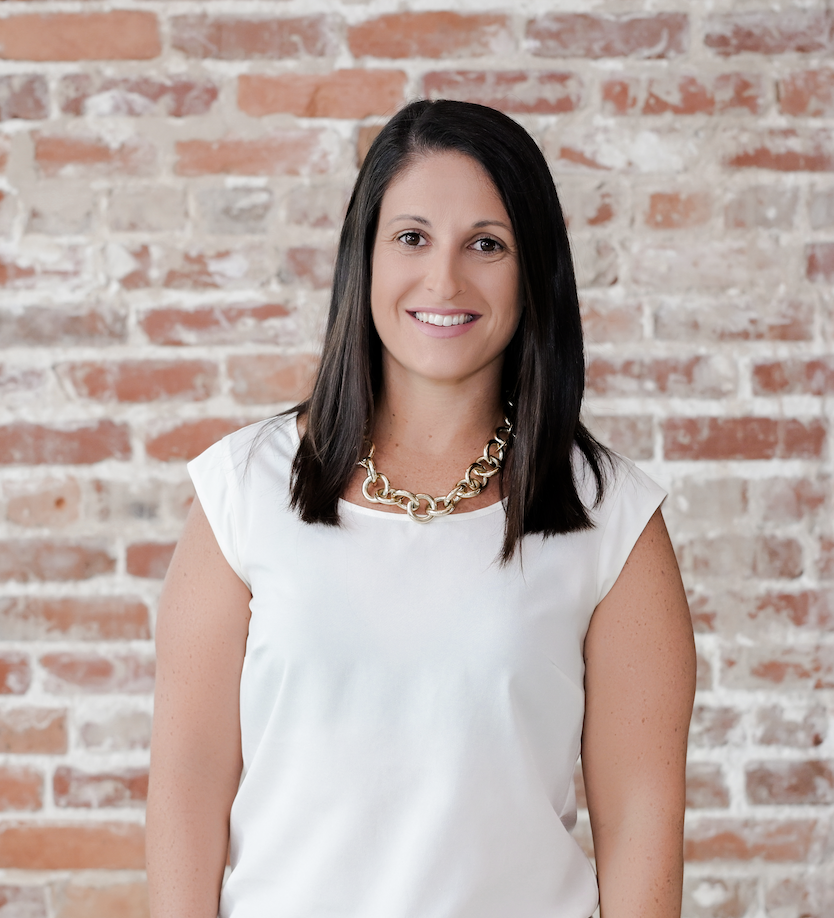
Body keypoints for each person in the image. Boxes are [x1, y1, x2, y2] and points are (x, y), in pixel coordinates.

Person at [146, 99, 696, 918]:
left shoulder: (609, 520)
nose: (444, 280)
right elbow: (188, 784)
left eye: (486, 244)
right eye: (411, 238)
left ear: (533, 268)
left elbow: (641, 825)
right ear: (363, 257)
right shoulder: (244, 490)